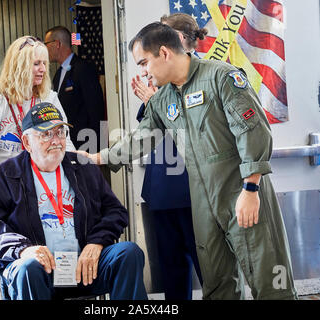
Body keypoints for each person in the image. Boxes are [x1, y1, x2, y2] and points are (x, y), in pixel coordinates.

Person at [79, 22, 298, 300]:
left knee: (271, 283)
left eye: (144, 62)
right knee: (217, 286)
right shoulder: (163, 100)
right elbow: (140, 139)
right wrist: (98, 156)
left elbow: (253, 131)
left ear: (164, 53)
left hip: (241, 193)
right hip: (203, 204)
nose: (142, 71)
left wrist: (251, 189)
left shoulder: (221, 77)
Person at [0, 102, 148, 300]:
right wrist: (23, 249)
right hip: (39, 271)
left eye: (60, 132)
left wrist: (96, 243)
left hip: (84, 266)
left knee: (128, 253)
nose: (55, 140)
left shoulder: (82, 166)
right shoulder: (5, 175)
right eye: (46, 134)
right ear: (27, 142)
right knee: (28, 267)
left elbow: (115, 211)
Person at [130, 13, 206, 300]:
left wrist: (154, 101)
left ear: (180, 39)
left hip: (192, 190)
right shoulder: (159, 76)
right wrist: (151, 102)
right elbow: (148, 130)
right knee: (171, 273)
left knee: (209, 270)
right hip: (161, 190)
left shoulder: (206, 75)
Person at [0, 36, 75, 206]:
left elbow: (64, 142)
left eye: (44, 63)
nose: (43, 69)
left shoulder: (49, 99)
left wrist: (75, 171)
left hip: (30, 179)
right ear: (19, 65)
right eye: (37, 64)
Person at [44, 26, 105, 152]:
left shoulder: (83, 69)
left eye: (47, 44)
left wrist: (95, 147)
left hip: (85, 144)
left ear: (57, 44)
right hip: (67, 143)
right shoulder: (58, 74)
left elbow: (95, 109)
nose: (45, 48)